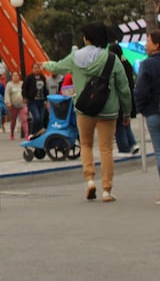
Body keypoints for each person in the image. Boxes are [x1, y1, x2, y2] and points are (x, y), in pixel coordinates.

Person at [43, 22, 131, 202]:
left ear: (86, 38)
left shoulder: (75, 57)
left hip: (84, 109)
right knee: (106, 149)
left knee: (86, 145)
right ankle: (107, 190)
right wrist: (127, 112)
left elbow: (57, 67)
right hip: (108, 110)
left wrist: (44, 63)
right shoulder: (112, 59)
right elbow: (124, 89)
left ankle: (90, 180)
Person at [133, 29, 160, 203]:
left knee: (159, 151)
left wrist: (142, 108)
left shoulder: (148, 64)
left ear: (157, 44)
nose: (145, 45)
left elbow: (141, 90)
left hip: (154, 112)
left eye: (148, 41)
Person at [108, 43, 139, 155]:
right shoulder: (127, 64)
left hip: (119, 98)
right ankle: (133, 143)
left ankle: (124, 147)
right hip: (128, 97)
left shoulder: (116, 65)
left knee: (119, 123)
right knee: (126, 122)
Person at [23, 62, 48, 137]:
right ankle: (32, 132)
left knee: (41, 118)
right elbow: (24, 88)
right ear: (32, 69)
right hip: (33, 101)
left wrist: (46, 99)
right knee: (36, 117)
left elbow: (45, 89)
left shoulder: (42, 78)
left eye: (38, 68)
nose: (36, 69)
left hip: (41, 101)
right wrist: (25, 97)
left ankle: (39, 133)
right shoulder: (29, 78)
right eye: (35, 68)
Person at [5, 72, 28, 140]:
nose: (15, 77)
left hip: (22, 104)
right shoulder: (9, 85)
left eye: (17, 75)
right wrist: (8, 102)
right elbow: (7, 94)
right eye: (14, 76)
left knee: (24, 119)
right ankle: (12, 133)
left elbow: (25, 92)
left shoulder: (22, 83)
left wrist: (26, 99)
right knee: (13, 120)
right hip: (13, 105)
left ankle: (27, 134)